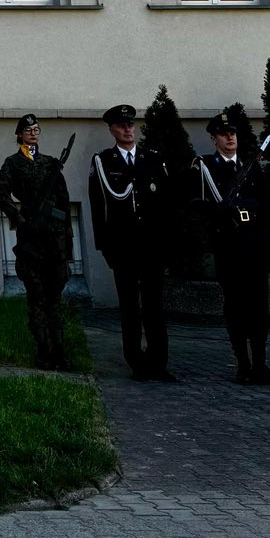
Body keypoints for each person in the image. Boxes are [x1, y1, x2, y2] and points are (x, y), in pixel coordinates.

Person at [87, 101, 175, 382]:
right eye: (122, 126)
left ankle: (158, 363)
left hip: (151, 247)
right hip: (123, 247)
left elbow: (166, 206)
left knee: (154, 307)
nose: (128, 130)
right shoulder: (104, 162)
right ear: (112, 130)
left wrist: (167, 245)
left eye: (130, 125)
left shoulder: (153, 159)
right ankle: (136, 362)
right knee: (129, 307)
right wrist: (105, 247)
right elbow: (98, 206)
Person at [196, 113, 270, 385]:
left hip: (255, 248)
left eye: (232, 133)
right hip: (230, 250)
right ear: (214, 139)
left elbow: (267, 206)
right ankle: (243, 364)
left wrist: (269, 243)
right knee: (236, 308)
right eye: (224, 134)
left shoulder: (251, 167)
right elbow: (203, 210)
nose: (230, 137)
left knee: (259, 310)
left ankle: (260, 363)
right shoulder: (206, 167)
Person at [0, 114, 73, 371]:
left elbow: (63, 202)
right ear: (20, 134)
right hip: (31, 239)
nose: (33, 133)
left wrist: (67, 244)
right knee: (36, 295)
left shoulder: (50, 163)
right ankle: (43, 352)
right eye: (28, 130)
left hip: (55, 240)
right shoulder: (13, 163)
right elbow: (2, 194)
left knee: (55, 296)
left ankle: (59, 352)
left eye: (36, 129)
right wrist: (19, 219)